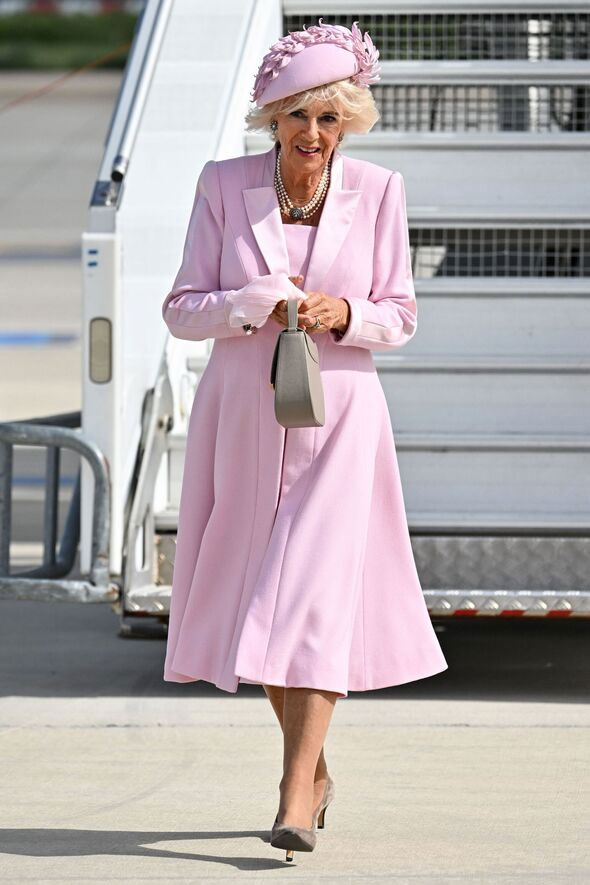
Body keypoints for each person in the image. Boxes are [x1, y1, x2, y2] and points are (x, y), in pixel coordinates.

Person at [161, 19, 448, 862]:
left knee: (316, 595)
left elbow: (399, 314)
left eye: (330, 118)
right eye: (298, 118)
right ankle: (315, 771)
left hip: (341, 418)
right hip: (242, 416)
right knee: (263, 599)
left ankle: (292, 795)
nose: (314, 135)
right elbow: (181, 309)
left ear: (350, 120)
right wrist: (250, 300)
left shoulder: (382, 189)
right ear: (273, 119)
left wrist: (346, 313)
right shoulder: (222, 186)